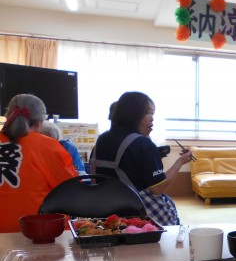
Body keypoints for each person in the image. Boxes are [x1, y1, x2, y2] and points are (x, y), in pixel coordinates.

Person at [91, 91, 192, 225]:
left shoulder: (102, 139)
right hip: (136, 215)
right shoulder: (143, 144)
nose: (152, 118)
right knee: (170, 209)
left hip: (104, 213)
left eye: (152, 114)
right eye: (147, 113)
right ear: (132, 115)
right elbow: (158, 188)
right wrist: (180, 161)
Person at [0, 94, 78, 232]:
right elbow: (71, 189)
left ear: (8, 115)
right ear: (39, 122)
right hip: (39, 232)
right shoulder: (48, 146)